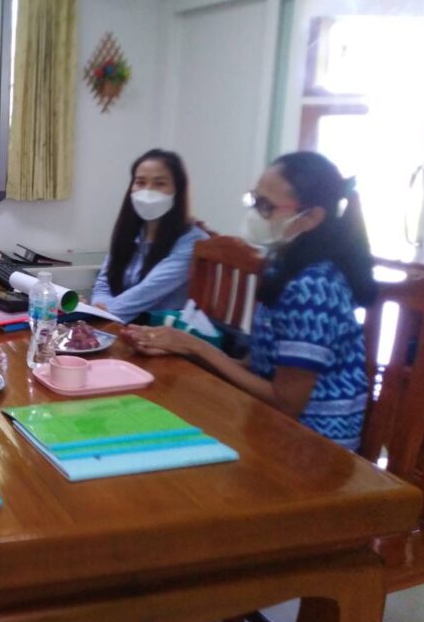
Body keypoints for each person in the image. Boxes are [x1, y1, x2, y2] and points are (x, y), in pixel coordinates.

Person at [122, 151, 376, 450]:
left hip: (314, 446)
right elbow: (254, 367)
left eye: (266, 206)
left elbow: (286, 403)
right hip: (272, 422)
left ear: (311, 217)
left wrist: (194, 346)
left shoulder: (313, 288)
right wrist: (179, 346)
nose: (256, 213)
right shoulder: (285, 266)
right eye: (254, 200)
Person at [90, 149, 208, 322]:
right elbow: (103, 283)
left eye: (160, 184)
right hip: (120, 323)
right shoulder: (130, 233)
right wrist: (98, 306)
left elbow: (143, 295)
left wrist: (99, 314)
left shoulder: (192, 241)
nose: (147, 191)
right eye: (140, 182)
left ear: (178, 190)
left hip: (159, 331)